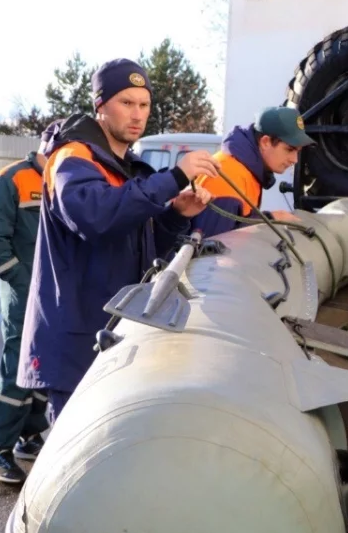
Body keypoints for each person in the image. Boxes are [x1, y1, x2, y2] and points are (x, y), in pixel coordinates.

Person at [18, 58, 216, 423]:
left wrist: (175, 214)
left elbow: (142, 251)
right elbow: (95, 218)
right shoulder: (72, 159)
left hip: (113, 332)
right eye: (126, 103)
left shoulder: (125, 168)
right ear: (99, 105)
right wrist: (173, 178)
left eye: (144, 105)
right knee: (75, 457)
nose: (137, 114)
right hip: (79, 339)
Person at [0, 129, 59, 484]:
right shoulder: (12, 179)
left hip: (52, 296)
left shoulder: (60, 182)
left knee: (43, 366)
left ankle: (29, 436)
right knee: (17, 368)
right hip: (24, 295)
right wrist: (24, 281)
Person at [188, 106, 314, 237]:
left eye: (298, 152)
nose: (294, 160)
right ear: (265, 142)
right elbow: (211, 250)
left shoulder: (245, 169)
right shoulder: (229, 177)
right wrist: (270, 220)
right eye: (289, 149)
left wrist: (270, 218)